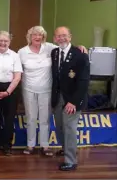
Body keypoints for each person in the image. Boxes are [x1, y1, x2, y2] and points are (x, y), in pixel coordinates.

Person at [18, 26, 87, 156]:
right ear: (30, 37)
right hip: (28, 89)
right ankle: (30, 145)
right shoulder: (22, 52)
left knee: (45, 119)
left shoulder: (50, 48)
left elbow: (66, 48)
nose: (38, 37)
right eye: (35, 35)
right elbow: (17, 70)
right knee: (31, 118)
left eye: (41, 35)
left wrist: (81, 47)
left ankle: (45, 146)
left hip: (47, 90)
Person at [51, 26, 89, 171]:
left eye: (64, 35)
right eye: (58, 36)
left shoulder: (80, 55)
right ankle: (66, 149)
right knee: (60, 127)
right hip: (57, 98)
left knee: (70, 128)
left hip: (73, 99)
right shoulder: (54, 53)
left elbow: (83, 81)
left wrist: (73, 102)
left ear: (70, 37)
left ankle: (71, 161)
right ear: (54, 38)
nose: (61, 38)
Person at [0, 31, 23, 156]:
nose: (2, 43)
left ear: (9, 42)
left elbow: (17, 77)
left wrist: (7, 92)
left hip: (10, 90)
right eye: (0, 40)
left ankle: (7, 145)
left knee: (8, 119)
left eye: (5, 41)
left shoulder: (15, 56)